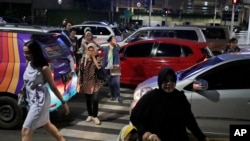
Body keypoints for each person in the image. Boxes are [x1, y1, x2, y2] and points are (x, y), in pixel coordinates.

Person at [130, 67, 209, 141]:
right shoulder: (151, 98)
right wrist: (145, 132)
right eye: (166, 80)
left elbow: (190, 120)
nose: (169, 83)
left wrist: (202, 138)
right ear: (160, 81)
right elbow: (135, 116)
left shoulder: (180, 97)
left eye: (172, 80)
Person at [22, 40, 69, 141]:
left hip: (40, 101)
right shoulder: (29, 63)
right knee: (46, 124)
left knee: (26, 130)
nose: (25, 55)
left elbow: (53, 87)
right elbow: (28, 82)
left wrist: (63, 103)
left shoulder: (44, 68)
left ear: (35, 52)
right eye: (24, 52)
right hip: (32, 99)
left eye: (28, 53)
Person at [78, 43, 103, 125]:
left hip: (95, 82)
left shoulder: (97, 58)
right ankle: (90, 114)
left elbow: (99, 68)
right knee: (88, 100)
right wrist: (79, 82)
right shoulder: (83, 59)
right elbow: (80, 71)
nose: (91, 52)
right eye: (89, 50)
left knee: (95, 99)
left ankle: (95, 116)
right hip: (86, 82)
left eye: (92, 50)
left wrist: (93, 58)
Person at [102, 35, 122, 102]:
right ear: (110, 41)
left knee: (116, 82)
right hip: (108, 67)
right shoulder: (106, 49)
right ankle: (113, 95)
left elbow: (119, 50)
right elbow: (104, 59)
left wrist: (116, 44)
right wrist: (103, 67)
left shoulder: (117, 48)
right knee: (111, 83)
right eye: (114, 39)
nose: (115, 40)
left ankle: (118, 95)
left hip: (115, 67)